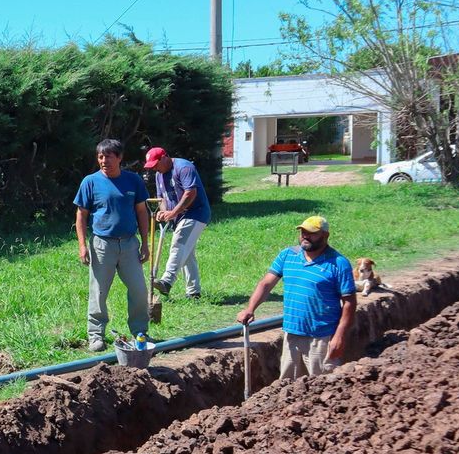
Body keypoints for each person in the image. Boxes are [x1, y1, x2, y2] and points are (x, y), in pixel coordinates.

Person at [236, 215, 357, 380]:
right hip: (292, 334)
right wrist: (250, 309)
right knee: (288, 389)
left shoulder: (338, 263)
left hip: (321, 338)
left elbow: (349, 303)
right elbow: (266, 284)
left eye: (311, 233)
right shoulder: (288, 255)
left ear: (325, 235)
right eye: (302, 232)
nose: (305, 236)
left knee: (324, 387)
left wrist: (340, 336)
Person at [73, 138, 151, 352]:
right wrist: (82, 245)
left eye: (108, 156)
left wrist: (145, 244)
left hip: (129, 244)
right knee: (98, 292)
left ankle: (140, 331)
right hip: (101, 245)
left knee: (139, 290)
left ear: (119, 157)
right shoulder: (90, 182)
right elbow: (81, 215)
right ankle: (96, 335)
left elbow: (142, 212)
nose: (104, 160)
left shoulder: (133, 181)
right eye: (100, 156)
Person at [144, 146, 211, 300]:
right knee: (186, 253)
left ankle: (167, 281)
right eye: (151, 166)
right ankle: (194, 292)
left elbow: (190, 193)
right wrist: (163, 211)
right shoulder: (159, 175)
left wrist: (173, 212)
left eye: (156, 164)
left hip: (196, 213)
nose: (154, 168)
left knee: (179, 243)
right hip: (180, 217)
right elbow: (162, 198)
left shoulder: (184, 167)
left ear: (164, 157)